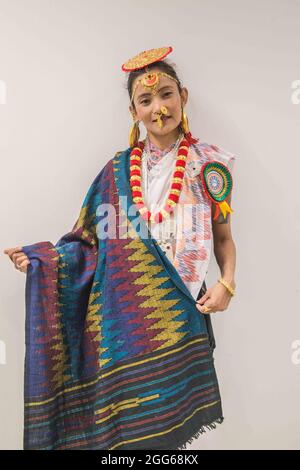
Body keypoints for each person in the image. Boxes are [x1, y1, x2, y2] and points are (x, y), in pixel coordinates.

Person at [3, 46, 236, 450]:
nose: (158, 108)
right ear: (134, 112)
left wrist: (227, 284)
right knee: (127, 435)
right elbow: (87, 243)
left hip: (180, 315)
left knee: (169, 437)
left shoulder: (211, 165)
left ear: (184, 96)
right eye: (146, 100)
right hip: (122, 320)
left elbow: (223, 237)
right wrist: (45, 262)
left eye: (166, 94)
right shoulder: (115, 171)